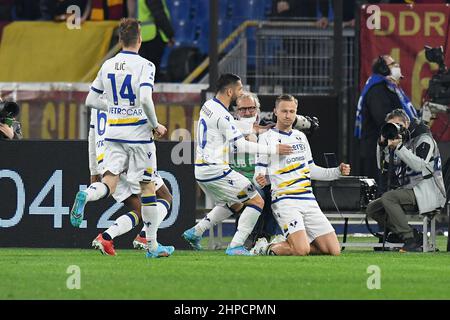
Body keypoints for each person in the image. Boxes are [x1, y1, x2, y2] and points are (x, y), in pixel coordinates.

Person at [70, 18, 173, 259]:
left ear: (119, 40)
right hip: (138, 137)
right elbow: (146, 100)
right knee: (148, 188)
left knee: (110, 181)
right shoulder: (145, 65)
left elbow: (90, 101)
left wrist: (116, 108)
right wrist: (156, 125)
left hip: (113, 135)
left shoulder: (107, 65)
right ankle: (152, 246)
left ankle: (88, 194)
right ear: (140, 39)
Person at [182, 73, 293, 256]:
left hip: (202, 170)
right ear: (229, 91)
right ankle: (235, 246)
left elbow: (233, 125)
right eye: (240, 89)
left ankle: (196, 232)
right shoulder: (223, 116)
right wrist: (273, 148)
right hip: (216, 170)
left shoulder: (208, 106)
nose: (241, 92)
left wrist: (258, 128)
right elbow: (240, 144)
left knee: (235, 204)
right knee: (257, 201)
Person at [251, 94, 351, 256]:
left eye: (292, 111)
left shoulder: (300, 137)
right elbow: (259, 173)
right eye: (284, 111)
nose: (288, 115)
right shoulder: (266, 138)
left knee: (334, 250)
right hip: (285, 200)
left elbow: (311, 169)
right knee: (301, 250)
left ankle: (283, 244)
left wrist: (337, 171)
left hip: (308, 200)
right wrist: (261, 179)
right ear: (275, 111)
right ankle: (265, 248)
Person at [231, 92, 320, 249]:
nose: (247, 112)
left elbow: (312, 126)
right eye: (242, 109)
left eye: (251, 108)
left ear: (257, 110)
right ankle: (251, 237)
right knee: (258, 192)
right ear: (236, 111)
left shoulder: (268, 127)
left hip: (267, 178)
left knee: (276, 189)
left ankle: (276, 235)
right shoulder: (230, 129)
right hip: (239, 179)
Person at [88, 108, 173, 256]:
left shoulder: (98, 96)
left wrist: (94, 171)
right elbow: (138, 110)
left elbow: (92, 136)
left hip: (105, 158)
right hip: (129, 150)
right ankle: (146, 238)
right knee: (164, 196)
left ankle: (106, 237)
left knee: (140, 210)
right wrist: (155, 125)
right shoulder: (124, 88)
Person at [366, 109, 446, 252]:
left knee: (389, 198)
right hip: (410, 191)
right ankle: (410, 235)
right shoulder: (401, 142)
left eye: (398, 125)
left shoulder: (424, 139)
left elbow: (419, 165)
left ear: (407, 123)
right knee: (373, 208)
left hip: (428, 191)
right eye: (391, 125)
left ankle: (410, 239)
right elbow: (382, 166)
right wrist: (381, 145)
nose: (395, 128)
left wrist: (399, 147)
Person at [354, 55, 418, 187]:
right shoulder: (377, 89)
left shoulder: (387, 87)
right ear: (383, 69)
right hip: (376, 149)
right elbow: (384, 118)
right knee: (378, 191)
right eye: (393, 64)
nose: (397, 66)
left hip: (384, 148)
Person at [137, 0, 174, 81]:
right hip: (153, 36)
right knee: (151, 73)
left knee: (145, 72)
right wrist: (169, 34)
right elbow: (159, 14)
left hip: (142, 35)